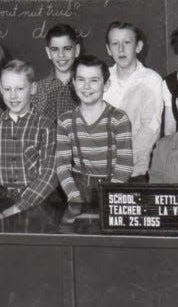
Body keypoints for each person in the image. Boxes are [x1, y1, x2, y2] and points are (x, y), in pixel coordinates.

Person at [0, 59, 58, 222]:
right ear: (0, 90)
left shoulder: (46, 126)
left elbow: (50, 174)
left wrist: (18, 208)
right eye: (7, 89)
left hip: (36, 205)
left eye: (20, 89)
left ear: (33, 88)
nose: (13, 95)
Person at [55, 55, 133, 206]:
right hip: (79, 189)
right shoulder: (65, 120)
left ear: (106, 85)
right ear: (74, 83)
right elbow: (62, 165)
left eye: (94, 80)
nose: (86, 86)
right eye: (81, 79)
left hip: (112, 189)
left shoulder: (119, 118)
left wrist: (111, 196)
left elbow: (125, 164)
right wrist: (74, 196)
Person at [104, 21, 174, 180]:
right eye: (115, 44)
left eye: (127, 42)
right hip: (103, 168)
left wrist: (122, 163)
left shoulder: (151, 80)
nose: (121, 49)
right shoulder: (101, 78)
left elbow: (150, 128)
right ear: (108, 49)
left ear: (138, 46)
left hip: (136, 171)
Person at [33, 23, 81, 120]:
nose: (61, 55)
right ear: (48, 52)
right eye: (55, 49)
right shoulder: (37, 90)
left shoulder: (86, 87)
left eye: (67, 49)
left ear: (77, 50)